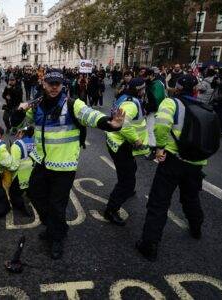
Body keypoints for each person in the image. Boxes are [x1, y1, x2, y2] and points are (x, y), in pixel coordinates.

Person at [11, 69, 125, 259]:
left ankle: (56, 238)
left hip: (64, 165)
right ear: (44, 84)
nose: (54, 87)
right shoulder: (37, 104)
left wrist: (110, 123)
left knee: (57, 205)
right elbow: (18, 122)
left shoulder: (72, 104)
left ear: (62, 85)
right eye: (50, 83)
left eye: (58, 84)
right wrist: (21, 110)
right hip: (42, 162)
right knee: (34, 193)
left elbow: (91, 116)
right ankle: (57, 226)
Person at [137, 75, 206, 262]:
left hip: (173, 159)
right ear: (195, 89)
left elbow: (161, 126)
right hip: (196, 163)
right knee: (191, 197)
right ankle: (196, 227)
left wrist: (160, 147)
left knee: (159, 202)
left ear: (177, 87)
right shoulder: (204, 106)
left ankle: (149, 245)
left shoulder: (171, 103)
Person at [104, 78, 149, 225]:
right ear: (138, 90)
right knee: (126, 181)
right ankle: (111, 210)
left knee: (130, 169)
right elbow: (124, 125)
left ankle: (128, 190)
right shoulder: (131, 103)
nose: (144, 91)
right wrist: (136, 139)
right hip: (121, 144)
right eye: (143, 89)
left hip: (118, 142)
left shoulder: (125, 97)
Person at [9, 126, 35, 217]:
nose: (17, 134)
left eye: (19, 132)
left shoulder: (17, 144)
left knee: (14, 193)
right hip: (33, 171)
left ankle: (22, 208)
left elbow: (14, 165)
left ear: (22, 133)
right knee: (31, 189)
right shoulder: (35, 141)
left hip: (21, 174)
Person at [145, 67, 166, 160]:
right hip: (156, 109)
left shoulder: (155, 84)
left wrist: (148, 109)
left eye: (146, 76)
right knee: (152, 129)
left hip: (155, 111)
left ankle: (153, 150)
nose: (145, 78)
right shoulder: (156, 83)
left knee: (151, 129)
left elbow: (156, 99)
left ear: (152, 75)